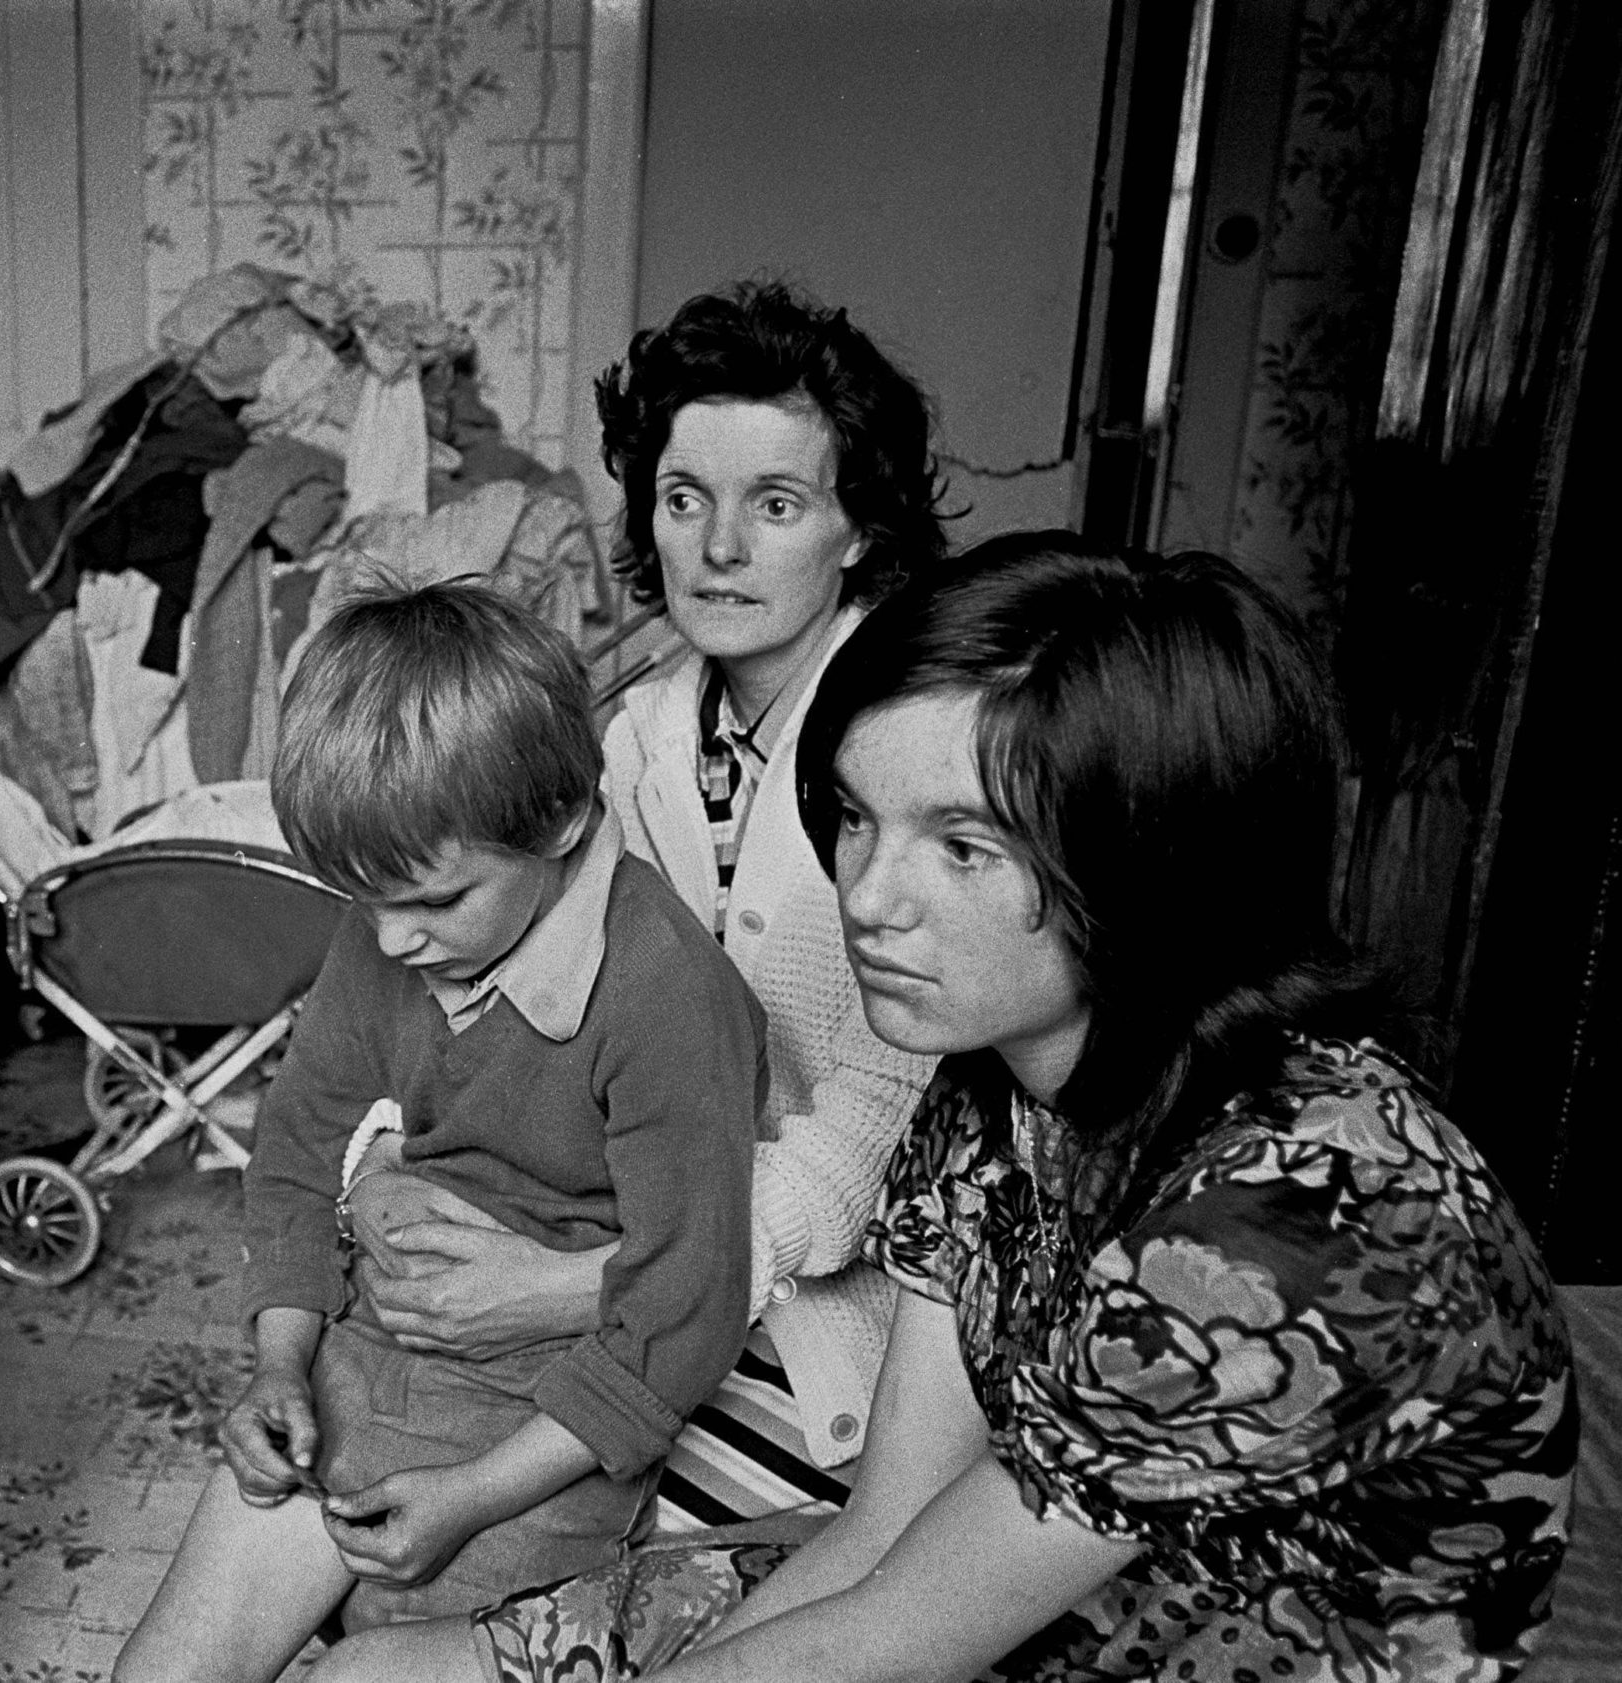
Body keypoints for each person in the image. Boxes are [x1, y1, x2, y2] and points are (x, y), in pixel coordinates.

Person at [314, 532, 1576, 1683]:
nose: (868, 896)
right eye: (856, 819)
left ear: (1152, 860)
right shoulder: (993, 1083)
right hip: (1013, 1601)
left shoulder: (1300, 1211)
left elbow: (902, 1637)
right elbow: (885, 1529)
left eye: (963, 847)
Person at [355, 280, 949, 1523]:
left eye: (775, 505)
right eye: (685, 500)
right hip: (628, 1236)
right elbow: (478, 989)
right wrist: (385, 1166)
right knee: (343, 1452)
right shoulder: (637, 739)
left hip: (830, 1308)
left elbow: (876, 1131)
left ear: (858, 529)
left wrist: (577, 1285)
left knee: (533, 1543)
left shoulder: (915, 753)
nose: (716, 550)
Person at [113, 581, 770, 1683]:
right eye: (364, 902)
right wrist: (279, 1363)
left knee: (368, 1669)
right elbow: (295, 1149)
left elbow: (679, 1312)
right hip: (372, 1359)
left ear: (560, 822)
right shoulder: (398, 915)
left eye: (431, 902)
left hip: (554, 1423)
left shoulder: (665, 992)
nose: (392, 942)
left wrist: (473, 1496)